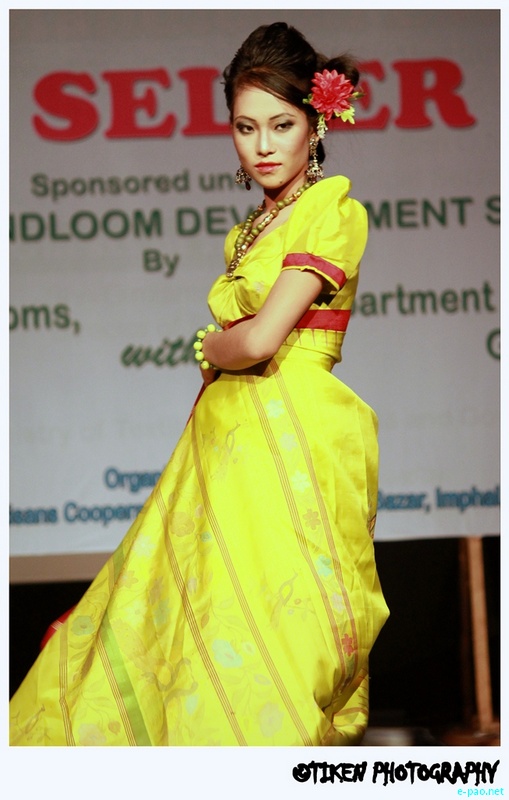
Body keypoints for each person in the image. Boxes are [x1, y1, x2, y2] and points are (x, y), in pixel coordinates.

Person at [10, 21, 389, 747]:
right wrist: (222, 361)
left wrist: (212, 345)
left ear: (316, 123)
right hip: (226, 441)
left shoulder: (330, 211)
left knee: (275, 629)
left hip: (290, 434)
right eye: (246, 127)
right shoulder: (251, 229)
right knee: (200, 621)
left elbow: (262, 338)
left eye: (281, 124)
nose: (263, 145)